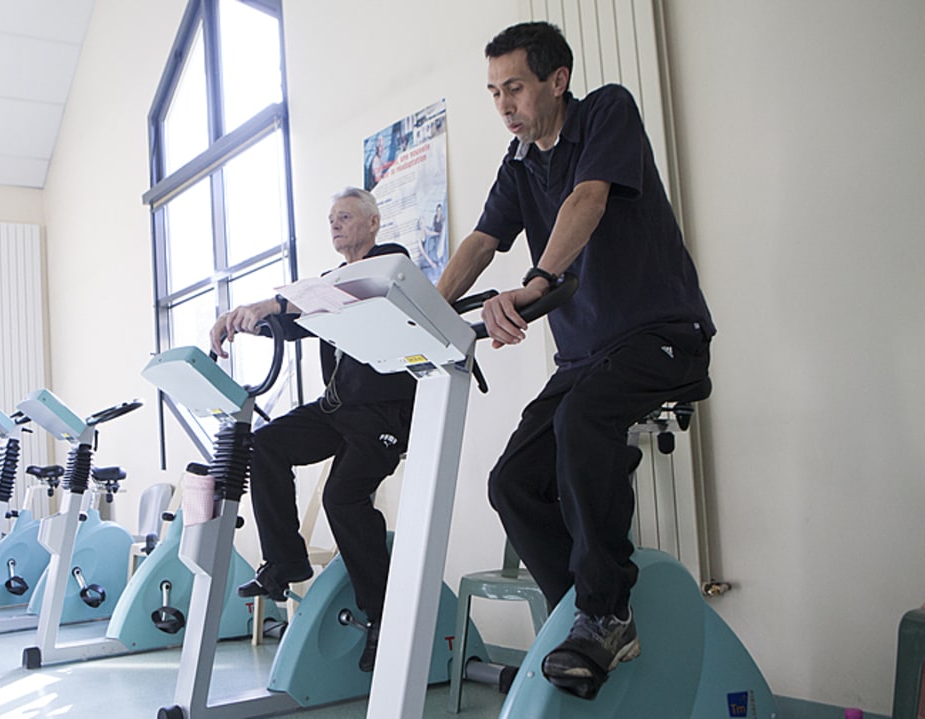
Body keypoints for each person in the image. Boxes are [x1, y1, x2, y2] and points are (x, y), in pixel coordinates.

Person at [435, 22, 715, 697]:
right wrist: (426, 314)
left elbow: (588, 198)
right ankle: (579, 616)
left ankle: (607, 609)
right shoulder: (520, 160)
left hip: (661, 335)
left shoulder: (606, 112)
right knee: (512, 482)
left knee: (583, 419)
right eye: (495, 91)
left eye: (516, 88)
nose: (505, 104)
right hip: (588, 356)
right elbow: (480, 240)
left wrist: (537, 282)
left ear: (556, 81)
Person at [210, 187, 416, 673]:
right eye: (331, 219)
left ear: (372, 223)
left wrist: (272, 303)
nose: (336, 225)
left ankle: (384, 617)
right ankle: (286, 563)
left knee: (342, 498)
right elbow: (298, 320)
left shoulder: (390, 262)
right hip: (337, 408)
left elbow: (340, 295)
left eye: (345, 216)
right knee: (264, 446)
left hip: (385, 413)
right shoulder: (328, 284)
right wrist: (243, 321)